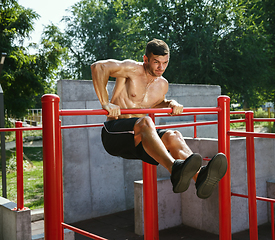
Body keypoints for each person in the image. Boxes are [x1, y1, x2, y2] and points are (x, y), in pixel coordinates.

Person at [91, 39, 227, 199]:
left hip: (140, 141)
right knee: (146, 122)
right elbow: (98, 67)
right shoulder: (131, 69)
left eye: (165, 62)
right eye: (156, 62)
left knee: (173, 135)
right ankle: (174, 169)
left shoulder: (163, 85)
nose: (161, 67)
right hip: (114, 134)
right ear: (146, 59)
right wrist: (105, 102)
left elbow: (156, 103)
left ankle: (200, 177)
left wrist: (171, 103)